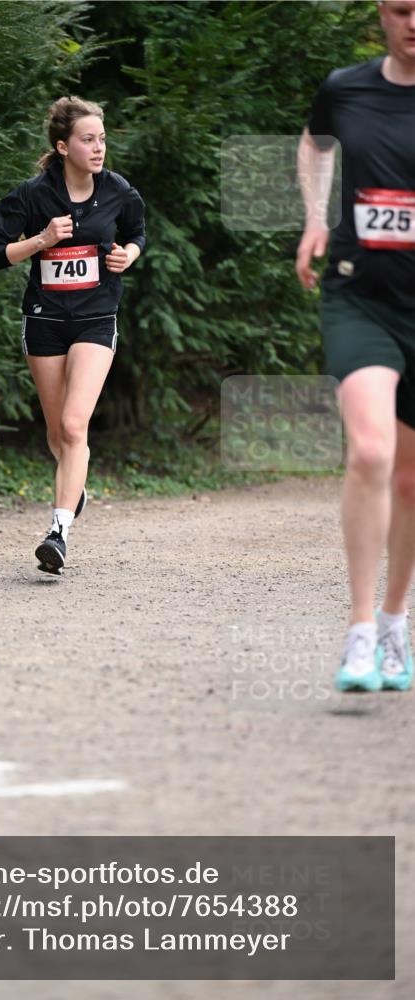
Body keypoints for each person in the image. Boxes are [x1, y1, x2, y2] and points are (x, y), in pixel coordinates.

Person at [296, 0, 415, 691]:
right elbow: (313, 144)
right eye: (401, 8)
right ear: (381, 13)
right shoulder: (345, 89)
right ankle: (359, 632)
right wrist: (314, 218)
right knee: (371, 450)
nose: (413, 21)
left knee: (409, 479)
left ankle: (396, 624)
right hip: (358, 296)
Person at [0, 95, 146, 574]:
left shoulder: (118, 190)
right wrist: (41, 241)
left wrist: (128, 256)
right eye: (87, 140)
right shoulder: (33, 196)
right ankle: (75, 488)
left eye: (102, 139)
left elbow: (137, 232)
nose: (98, 148)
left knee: (75, 426)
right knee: (57, 434)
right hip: (45, 320)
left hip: (96, 316)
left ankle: (58, 531)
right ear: (62, 146)